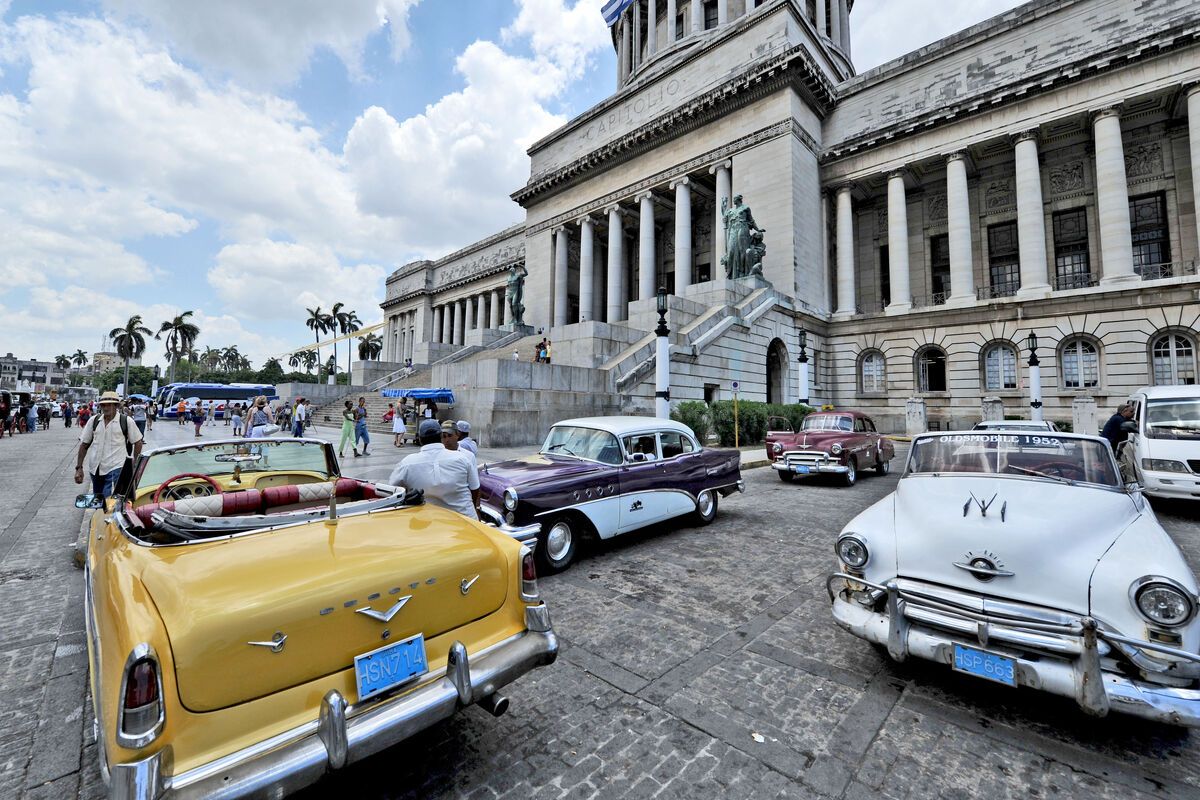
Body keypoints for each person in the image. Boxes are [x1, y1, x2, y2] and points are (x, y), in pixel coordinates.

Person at [388, 419, 481, 520]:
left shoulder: (406, 463)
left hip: (429, 525)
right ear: (441, 436)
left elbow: (391, 492)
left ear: (419, 439)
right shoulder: (462, 459)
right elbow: (475, 489)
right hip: (465, 523)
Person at [75, 391, 143, 503]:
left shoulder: (126, 421)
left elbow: (138, 442)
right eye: (103, 405)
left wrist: (135, 464)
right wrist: (79, 468)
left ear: (116, 406)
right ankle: (101, 516)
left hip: (117, 467)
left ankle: (108, 518)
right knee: (99, 499)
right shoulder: (94, 421)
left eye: (109, 404)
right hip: (95, 468)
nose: (106, 408)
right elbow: (84, 445)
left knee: (110, 501)